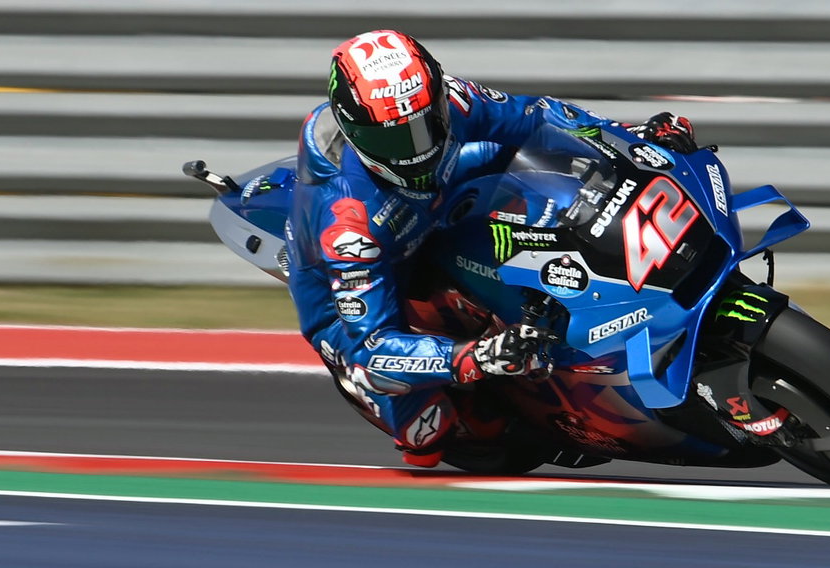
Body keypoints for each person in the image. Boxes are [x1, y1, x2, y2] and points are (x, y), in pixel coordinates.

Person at [285, 29, 699, 466]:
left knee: (539, 160)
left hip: (438, 207)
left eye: (425, 124)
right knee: (426, 435)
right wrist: (474, 358)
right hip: (356, 295)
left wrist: (625, 135)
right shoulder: (347, 226)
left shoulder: (450, 99)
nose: (416, 148)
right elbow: (374, 344)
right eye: (394, 140)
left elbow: (537, 116)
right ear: (356, 132)